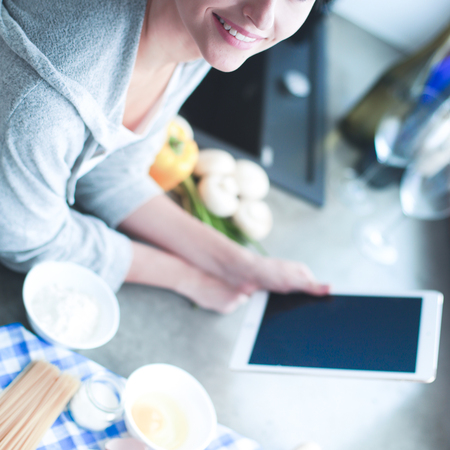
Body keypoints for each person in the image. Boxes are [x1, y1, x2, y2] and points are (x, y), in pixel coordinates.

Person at [0, 0, 330, 314]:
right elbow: (29, 241)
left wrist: (245, 266)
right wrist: (186, 278)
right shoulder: (43, 100)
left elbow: (112, 175)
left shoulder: (199, 30)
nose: (262, 17)